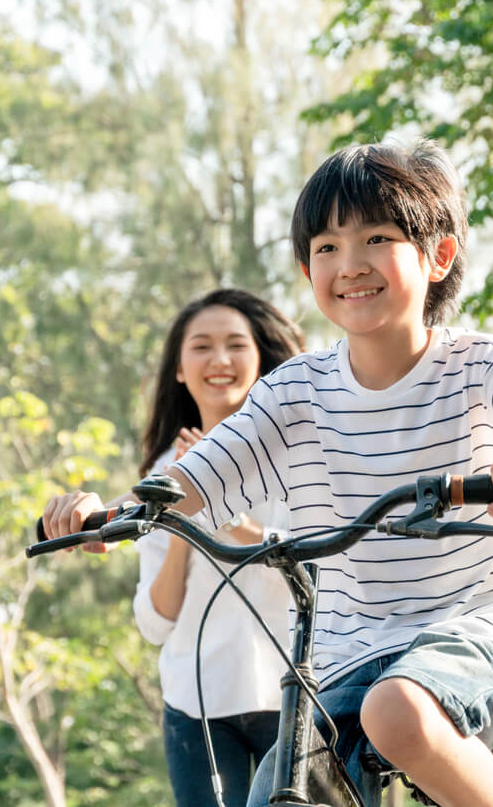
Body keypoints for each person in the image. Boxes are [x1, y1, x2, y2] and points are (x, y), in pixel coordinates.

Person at [44, 139, 493, 807]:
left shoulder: (478, 366)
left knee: (397, 711)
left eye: (375, 238)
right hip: (346, 649)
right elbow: (199, 476)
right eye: (327, 247)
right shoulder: (296, 390)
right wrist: (110, 517)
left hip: (480, 620)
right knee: (277, 793)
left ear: (438, 256)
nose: (350, 264)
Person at [133, 288, 304, 807]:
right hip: (197, 704)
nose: (220, 360)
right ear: (180, 369)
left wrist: (234, 520)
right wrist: (183, 516)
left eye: (235, 345)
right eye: (202, 347)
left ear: (260, 359)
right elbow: (156, 623)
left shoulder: (297, 457)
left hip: (295, 696)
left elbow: (321, 564)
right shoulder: (161, 474)